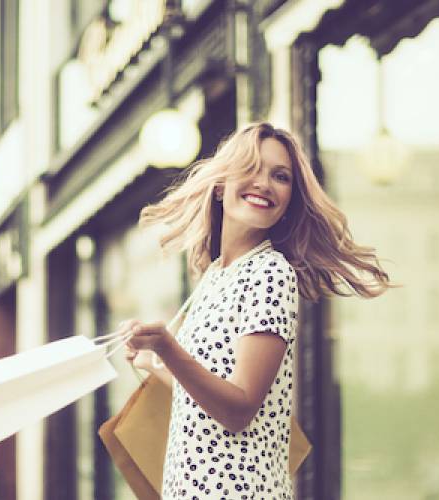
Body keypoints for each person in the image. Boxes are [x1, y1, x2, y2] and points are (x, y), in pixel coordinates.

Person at [121, 123, 394, 499]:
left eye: (280, 177)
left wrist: (168, 348)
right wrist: (156, 365)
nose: (264, 183)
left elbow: (240, 409)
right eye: (251, 168)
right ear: (220, 185)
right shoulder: (216, 275)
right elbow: (214, 394)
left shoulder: (271, 273)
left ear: (289, 201)